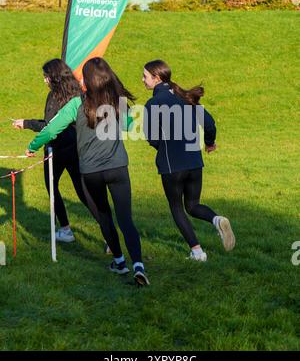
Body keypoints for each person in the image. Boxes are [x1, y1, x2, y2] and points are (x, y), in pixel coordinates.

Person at [25, 57, 149, 287]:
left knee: (104, 216)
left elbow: (51, 129)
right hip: (117, 167)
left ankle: (120, 262)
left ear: (89, 80)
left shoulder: (76, 105)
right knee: (125, 219)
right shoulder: (117, 103)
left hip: (91, 171)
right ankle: (138, 265)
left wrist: (32, 146)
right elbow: (129, 125)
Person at [142, 59, 235, 262]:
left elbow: (151, 136)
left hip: (172, 165)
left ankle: (197, 252)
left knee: (177, 208)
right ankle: (216, 219)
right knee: (192, 205)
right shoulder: (185, 97)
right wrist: (209, 143)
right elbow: (209, 123)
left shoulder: (153, 103)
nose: (143, 80)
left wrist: (164, 147)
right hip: (195, 162)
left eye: (145, 76)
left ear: (157, 78)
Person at [13, 59, 89, 243]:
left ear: (54, 77)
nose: (44, 81)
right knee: (85, 193)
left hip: (57, 150)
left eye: (46, 77)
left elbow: (50, 126)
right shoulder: (79, 93)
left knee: (53, 188)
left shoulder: (54, 97)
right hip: (77, 148)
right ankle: (108, 234)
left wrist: (26, 124)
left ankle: (65, 230)